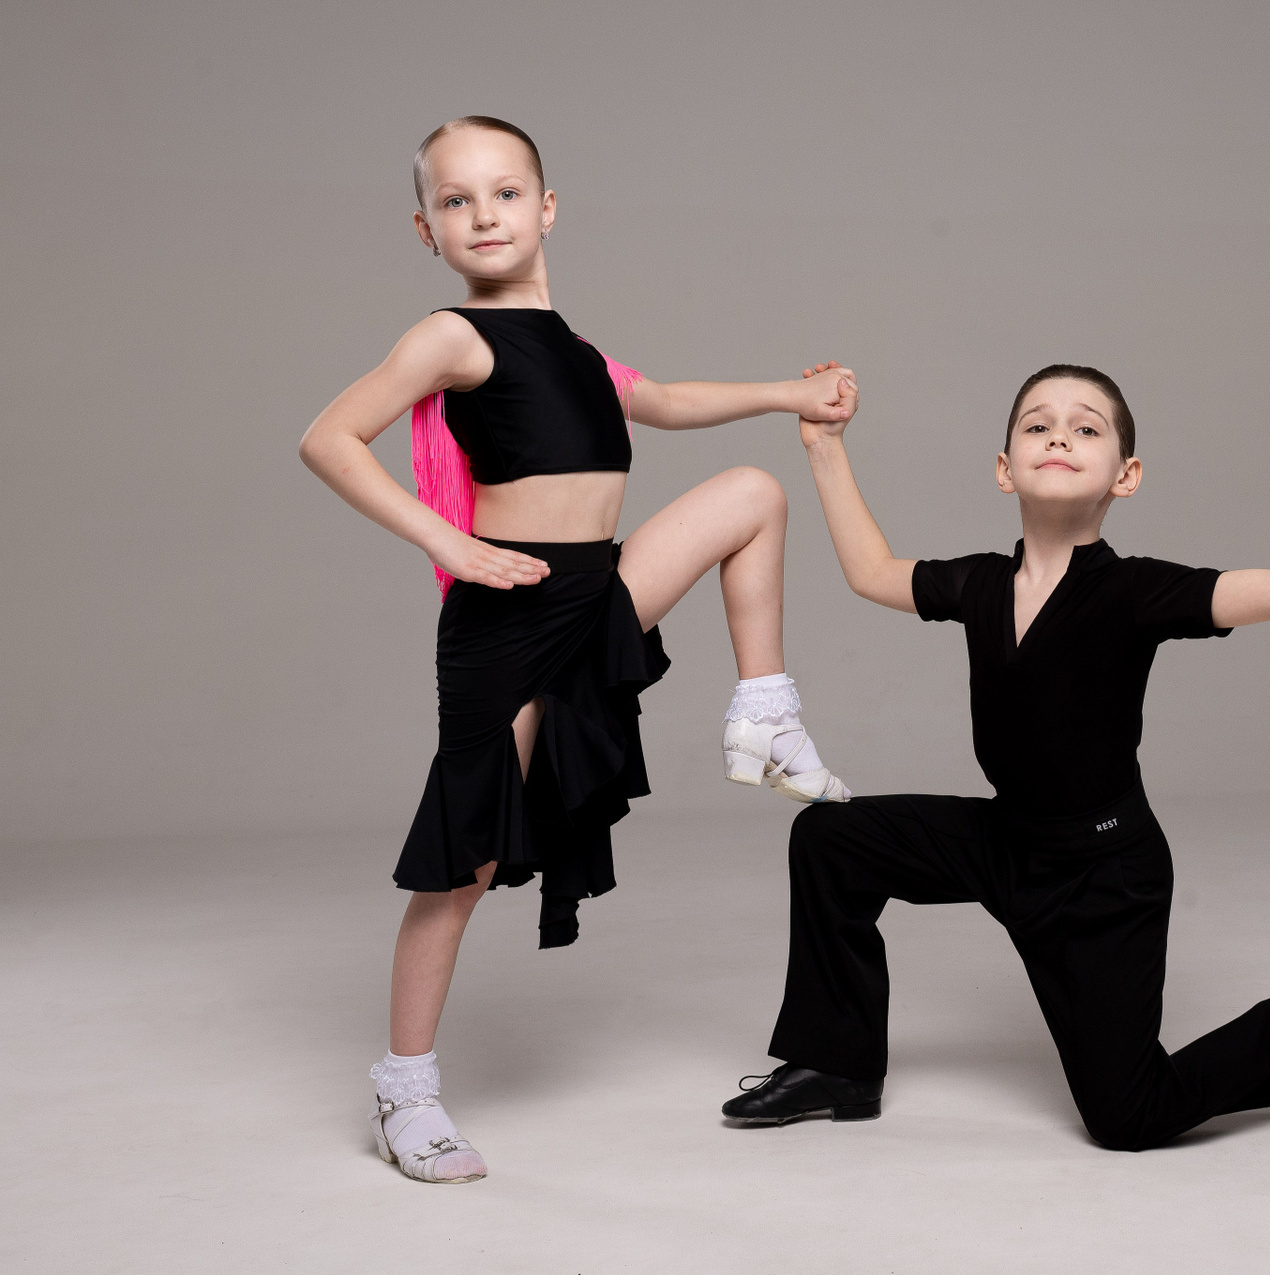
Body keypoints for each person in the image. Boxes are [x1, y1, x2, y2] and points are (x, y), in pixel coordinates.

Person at [720, 362, 1270, 1150]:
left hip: (1103, 874)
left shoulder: (1134, 592)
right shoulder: (979, 583)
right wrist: (825, 445)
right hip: (1006, 842)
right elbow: (871, 570)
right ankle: (836, 1065)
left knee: (1129, 1116)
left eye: (1086, 428)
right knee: (832, 840)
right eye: (1038, 425)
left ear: (1125, 476)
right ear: (1005, 467)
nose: (1059, 436)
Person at [298, 116, 860, 1183]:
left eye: (506, 193)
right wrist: (445, 541)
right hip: (508, 620)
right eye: (456, 201)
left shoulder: (576, 349)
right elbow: (328, 436)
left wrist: (791, 394)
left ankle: (765, 714)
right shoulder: (452, 336)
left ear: (547, 208)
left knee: (753, 492)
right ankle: (404, 1087)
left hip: (594, 592)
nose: (484, 215)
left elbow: (663, 401)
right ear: (426, 229)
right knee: (464, 863)